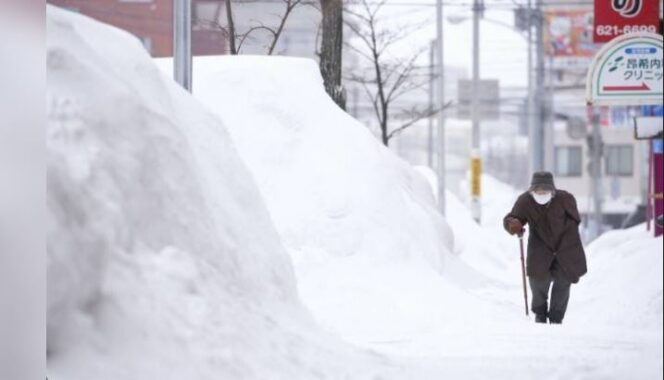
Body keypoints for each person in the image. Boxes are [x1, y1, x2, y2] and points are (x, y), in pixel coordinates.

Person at [503, 172, 587, 324]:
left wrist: (566, 235)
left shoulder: (565, 199)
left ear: (552, 191)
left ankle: (556, 318)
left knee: (563, 282)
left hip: (565, 247)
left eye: (545, 191)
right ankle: (540, 315)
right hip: (539, 249)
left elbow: (575, 220)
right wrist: (513, 225)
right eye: (538, 191)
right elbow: (511, 219)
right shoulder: (525, 201)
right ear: (532, 191)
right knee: (537, 282)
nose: (541, 194)